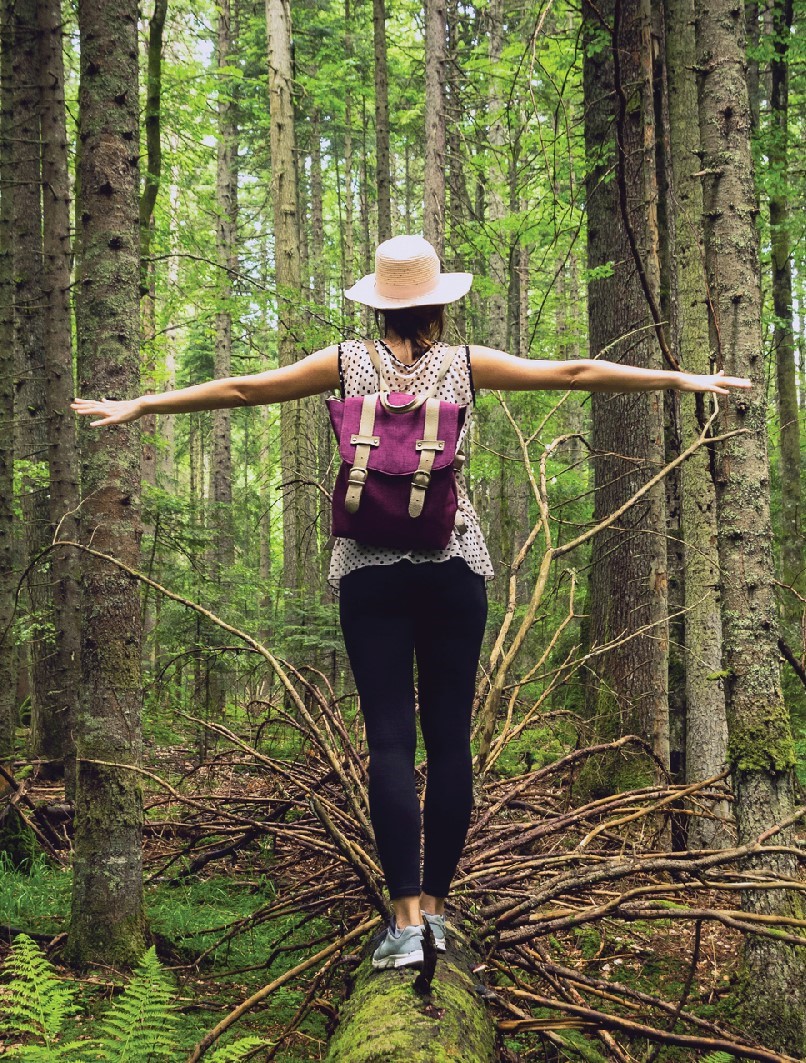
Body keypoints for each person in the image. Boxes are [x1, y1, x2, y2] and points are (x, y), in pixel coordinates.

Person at [72, 234, 752, 971]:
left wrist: (140, 403)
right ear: (438, 301)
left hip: (369, 571)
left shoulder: (342, 362)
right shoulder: (464, 365)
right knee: (450, 739)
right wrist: (681, 380)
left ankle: (401, 922)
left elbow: (241, 389)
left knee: (390, 740)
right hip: (453, 563)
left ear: (378, 301)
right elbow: (575, 371)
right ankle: (436, 912)